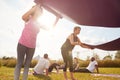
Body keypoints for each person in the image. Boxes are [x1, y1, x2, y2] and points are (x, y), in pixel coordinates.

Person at [14, 4, 60, 80]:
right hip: (22, 44)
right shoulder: (29, 18)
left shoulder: (39, 23)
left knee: (27, 65)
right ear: (35, 10)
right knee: (19, 64)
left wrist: (57, 19)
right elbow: (23, 17)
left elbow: (49, 28)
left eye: (41, 11)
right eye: (39, 10)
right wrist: (36, 6)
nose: (40, 11)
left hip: (32, 47)